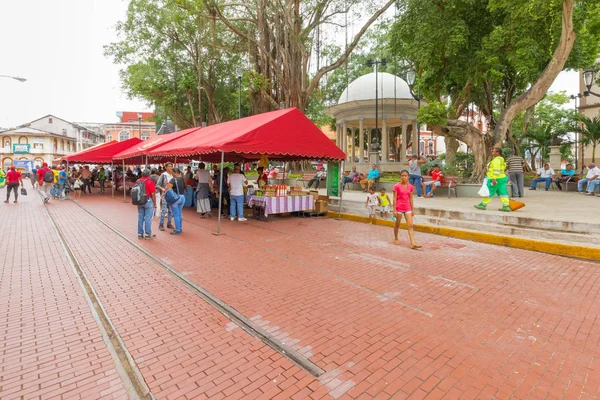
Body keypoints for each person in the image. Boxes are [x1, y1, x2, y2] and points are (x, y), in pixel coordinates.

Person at [393, 170, 421, 249]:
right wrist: (394, 209)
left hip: (407, 207)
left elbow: (411, 198)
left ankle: (413, 242)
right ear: (400, 176)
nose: (404, 177)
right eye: (402, 175)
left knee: (410, 225)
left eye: (405, 176)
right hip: (399, 208)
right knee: (397, 224)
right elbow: (394, 198)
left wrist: (412, 209)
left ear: (408, 177)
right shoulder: (396, 186)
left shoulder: (411, 187)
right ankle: (396, 238)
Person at [136, 169, 157, 239]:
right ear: (149, 174)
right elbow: (153, 194)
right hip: (148, 200)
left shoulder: (138, 181)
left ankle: (140, 234)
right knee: (148, 218)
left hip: (139, 201)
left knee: (140, 217)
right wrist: (155, 203)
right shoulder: (150, 182)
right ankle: (148, 234)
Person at [166, 168, 186, 235]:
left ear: (175, 172)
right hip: (182, 197)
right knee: (179, 214)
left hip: (175, 198)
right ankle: (180, 228)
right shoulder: (182, 179)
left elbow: (168, 188)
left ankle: (177, 230)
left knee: (176, 214)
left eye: (172, 172)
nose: (172, 174)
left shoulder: (173, 179)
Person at [156, 162, 175, 230]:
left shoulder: (173, 175)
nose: (170, 168)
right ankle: (161, 224)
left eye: (171, 166)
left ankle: (169, 223)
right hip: (165, 195)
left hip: (172, 195)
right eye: (169, 166)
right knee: (164, 210)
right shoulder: (163, 175)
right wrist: (162, 189)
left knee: (170, 210)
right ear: (166, 167)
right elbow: (157, 185)